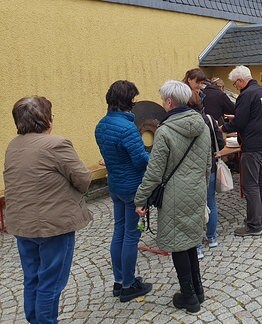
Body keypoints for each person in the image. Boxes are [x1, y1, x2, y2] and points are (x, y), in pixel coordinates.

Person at [4, 96, 92, 323]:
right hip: (53, 226)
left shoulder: (13, 146)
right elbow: (83, 179)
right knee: (50, 283)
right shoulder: (56, 144)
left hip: (22, 225)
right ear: (46, 119)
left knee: (32, 278)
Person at [135, 80, 211, 313]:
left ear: (169, 102)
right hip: (196, 189)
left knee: (179, 244)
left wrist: (141, 199)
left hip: (174, 195)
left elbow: (155, 171)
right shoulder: (203, 125)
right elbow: (208, 163)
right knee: (190, 241)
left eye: (162, 100)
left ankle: (188, 297)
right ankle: (198, 290)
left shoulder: (165, 131)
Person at [95, 81, 152, 302]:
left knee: (118, 232)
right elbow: (139, 161)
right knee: (131, 236)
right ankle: (129, 285)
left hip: (116, 186)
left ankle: (119, 282)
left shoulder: (101, 125)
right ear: (129, 102)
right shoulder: (127, 128)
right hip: (132, 189)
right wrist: (156, 158)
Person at [221, 66, 262, 236]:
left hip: (252, 146)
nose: (235, 87)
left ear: (241, 80)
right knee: (261, 182)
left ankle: (254, 225)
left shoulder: (246, 95)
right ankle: (261, 218)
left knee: (251, 185)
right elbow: (256, 115)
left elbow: (240, 123)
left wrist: (223, 127)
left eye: (235, 84)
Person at [185, 88, 225, 260]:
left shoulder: (184, 122)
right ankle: (212, 236)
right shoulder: (209, 119)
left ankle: (197, 245)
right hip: (211, 168)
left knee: (194, 207)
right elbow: (221, 142)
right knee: (211, 202)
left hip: (191, 171)